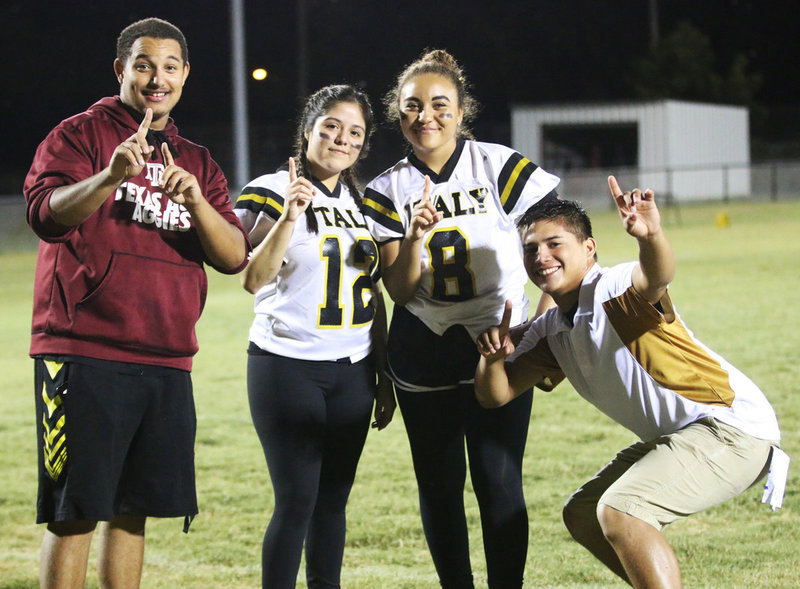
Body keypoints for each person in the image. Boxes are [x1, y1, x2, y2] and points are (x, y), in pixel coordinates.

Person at [23, 17, 250, 589]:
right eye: (145, 64)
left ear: (185, 75)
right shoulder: (79, 134)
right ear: (122, 69)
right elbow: (45, 215)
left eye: (170, 67)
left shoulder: (195, 160)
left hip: (166, 356)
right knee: (74, 513)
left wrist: (197, 202)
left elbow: (232, 257)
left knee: (133, 510)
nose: (158, 78)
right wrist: (108, 177)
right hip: (84, 349)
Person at [475, 177, 787, 589]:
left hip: (732, 430)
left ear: (589, 249)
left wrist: (651, 235)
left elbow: (656, 276)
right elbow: (495, 396)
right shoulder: (551, 330)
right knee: (585, 513)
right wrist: (490, 359)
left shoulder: (615, 289)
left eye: (554, 244)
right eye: (530, 248)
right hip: (683, 436)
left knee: (622, 511)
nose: (541, 256)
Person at [360, 49, 560, 588]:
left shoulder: (498, 164)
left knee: (499, 482)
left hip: (499, 343)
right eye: (412, 107)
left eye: (439, 104)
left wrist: (541, 336)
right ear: (397, 114)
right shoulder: (384, 190)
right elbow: (399, 291)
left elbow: (556, 257)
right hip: (422, 342)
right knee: (439, 486)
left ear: (462, 108)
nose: (426, 116)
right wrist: (414, 239)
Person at [234, 84, 396, 589]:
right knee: (297, 501)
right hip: (286, 364)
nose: (341, 139)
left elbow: (376, 295)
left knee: (333, 502)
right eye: (330, 126)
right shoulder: (269, 187)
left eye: (354, 132)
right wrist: (288, 217)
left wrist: (384, 376)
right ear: (308, 131)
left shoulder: (367, 203)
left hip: (354, 370)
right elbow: (251, 278)